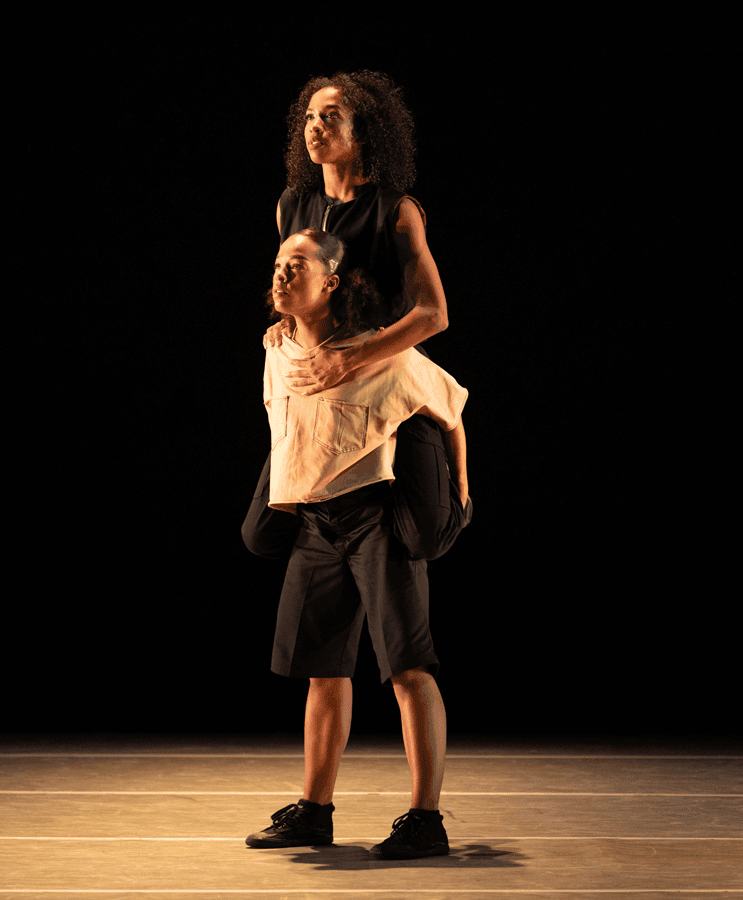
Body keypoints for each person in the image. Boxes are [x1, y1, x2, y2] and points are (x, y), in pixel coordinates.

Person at [244, 229, 467, 860]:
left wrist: (462, 497)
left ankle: (426, 819)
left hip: (376, 518)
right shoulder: (275, 350)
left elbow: (451, 409)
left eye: (299, 264)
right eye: (278, 262)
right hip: (316, 522)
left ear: (332, 282)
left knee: (406, 669)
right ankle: (315, 811)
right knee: (322, 670)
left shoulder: (379, 355)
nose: (283, 273)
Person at [242, 71, 468, 564]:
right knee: (262, 532)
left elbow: (435, 314)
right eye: (308, 118)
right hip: (318, 386)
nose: (314, 127)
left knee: (424, 538)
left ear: (362, 132)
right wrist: (286, 320)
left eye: (330, 117)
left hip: (385, 373)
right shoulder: (292, 205)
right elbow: (295, 286)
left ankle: (451, 495)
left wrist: (350, 360)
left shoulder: (395, 211)